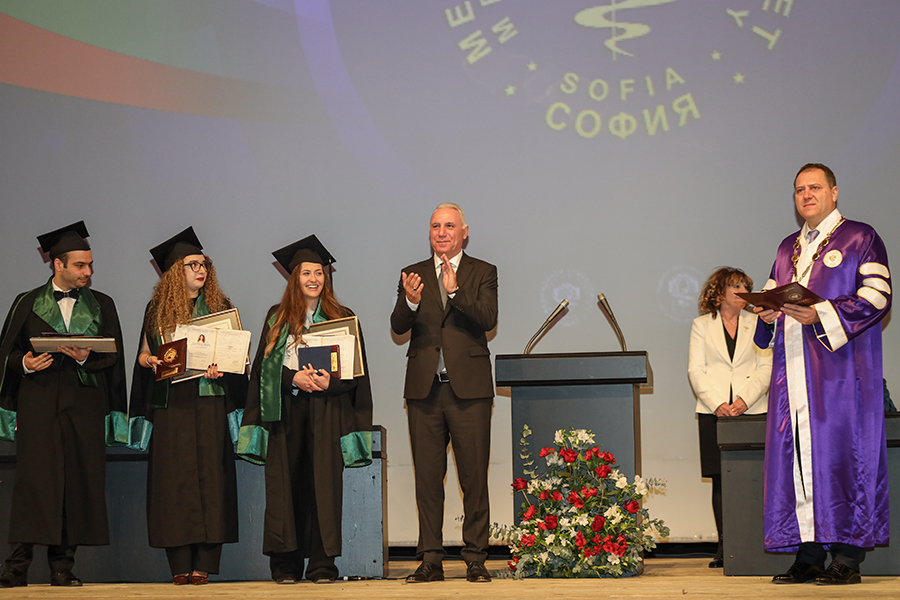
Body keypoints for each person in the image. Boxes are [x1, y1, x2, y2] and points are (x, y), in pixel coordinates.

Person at [753, 163, 891, 585]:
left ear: (834, 192)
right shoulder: (787, 248)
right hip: (792, 378)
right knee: (797, 461)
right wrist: (766, 312)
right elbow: (771, 298)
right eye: (799, 190)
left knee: (844, 459)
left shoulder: (860, 238)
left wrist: (822, 313)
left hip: (841, 375)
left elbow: (878, 296)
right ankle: (809, 555)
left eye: (814, 187)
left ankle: (847, 558)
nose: (806, 195)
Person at [237, 235, 373, 585]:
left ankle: (322, 564)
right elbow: (262, 369)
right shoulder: (277, 316)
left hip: (328, 412)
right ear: (294, 278)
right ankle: (285, 564)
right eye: (306, 273)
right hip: (287, 411)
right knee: (286, 487)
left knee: (323, 489)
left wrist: (330, 382)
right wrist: (293, 377)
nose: (314, 279)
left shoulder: (343, 317)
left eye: (319, 272)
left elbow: (356, 374)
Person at [0, 221, 128, 588]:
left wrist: (87, 357)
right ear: (58, 264)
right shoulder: (27, 302)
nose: (88, 272)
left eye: (90, 265)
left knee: (76, 481)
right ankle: (17, 565)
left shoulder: (102, 304)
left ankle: (63, 566)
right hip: (38, 401)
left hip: (83, 401)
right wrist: (25, 363)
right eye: (80, 265)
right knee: (34, 482)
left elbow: (113, 355)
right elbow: (7, 353)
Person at [128, 227, 245, 585]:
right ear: (174, 273)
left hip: (210, 401)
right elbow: (144, 355)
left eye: (204, 264)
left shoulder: (221, 307)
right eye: (192, 264)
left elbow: (237, 358)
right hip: (173, 405)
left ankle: (204, 563)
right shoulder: (157, 310)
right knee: (173, 481)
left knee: (212, 478)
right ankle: (179, 562)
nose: (200, 270)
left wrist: (224, 366)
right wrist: (150, 361)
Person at [390, 203, 498, 584]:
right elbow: (398, 326)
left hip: (469, 391)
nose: (441, 232)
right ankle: (431, 559)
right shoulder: (413, 274)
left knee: (474, 478)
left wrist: (456, 292)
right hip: (425, 391)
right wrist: (410, 301)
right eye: (436, 226)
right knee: (427, 480)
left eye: (449, 226)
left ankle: (476, 558)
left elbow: (487, 319)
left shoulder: (483, 271)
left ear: (464, 232)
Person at [688, 267, 772, 569]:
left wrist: (743, 400)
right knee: (720, 481)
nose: (743, 291)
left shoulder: (758, 322)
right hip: (714, 413)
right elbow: (696, 370)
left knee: (756, 478)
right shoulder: (701, 325)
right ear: (719, 292)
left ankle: (758, 543)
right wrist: (718, 403)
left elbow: (766, 367)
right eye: (736, 286)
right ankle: (725, 546)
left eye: (746, 286)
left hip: (753, 410)